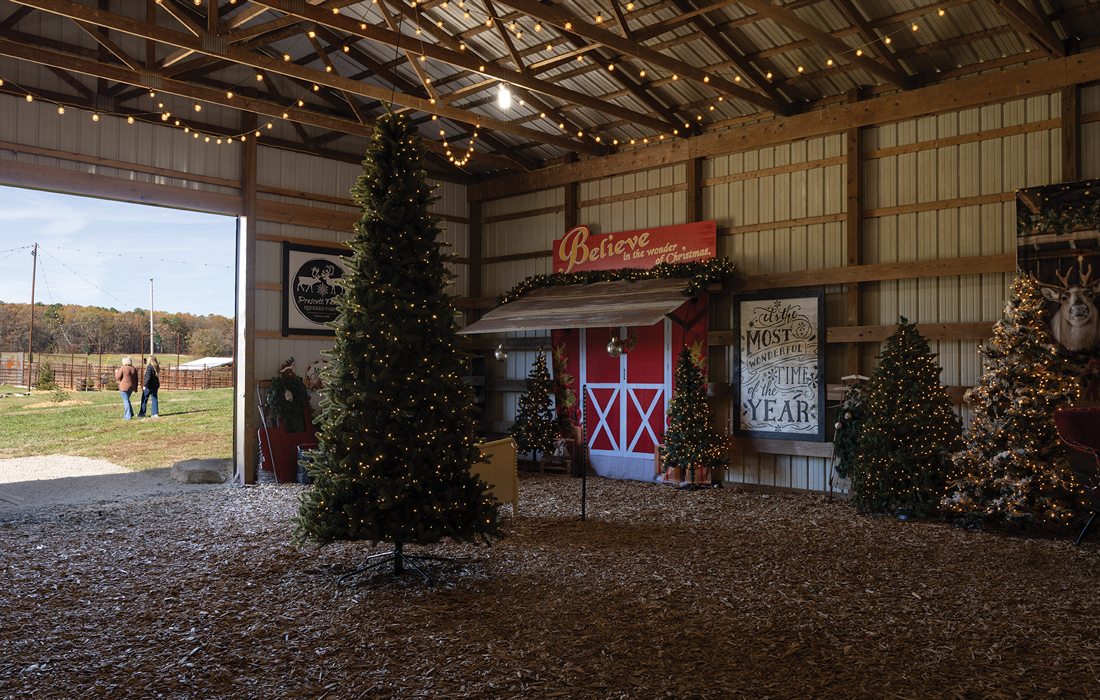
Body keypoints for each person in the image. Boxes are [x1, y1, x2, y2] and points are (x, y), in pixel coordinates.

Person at [115, 356, 139, 421]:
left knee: (126, 401)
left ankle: (127, 416)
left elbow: (117, 378)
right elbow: (136, 379)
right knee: (127, 400)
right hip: (131, 387)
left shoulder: (123, 368)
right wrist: (136, 388)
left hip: (124, 387)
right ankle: (131, 413)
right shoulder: (133, 368)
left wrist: (116, 372)